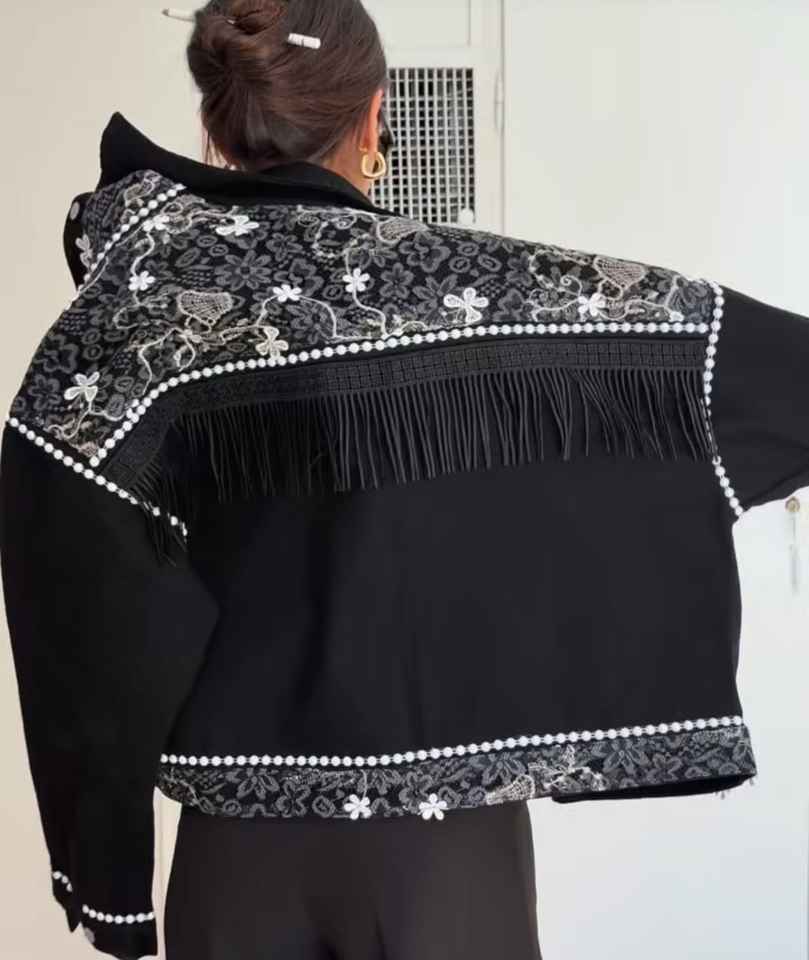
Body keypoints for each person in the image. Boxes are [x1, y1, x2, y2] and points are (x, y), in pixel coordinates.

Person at [1, 1, 807, 958]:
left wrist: (106, 877)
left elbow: (71, 585)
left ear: (217, 124)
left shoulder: (136, 310)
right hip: (445, 854)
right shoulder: (494, 298)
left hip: (237, 857)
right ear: (374, 115)